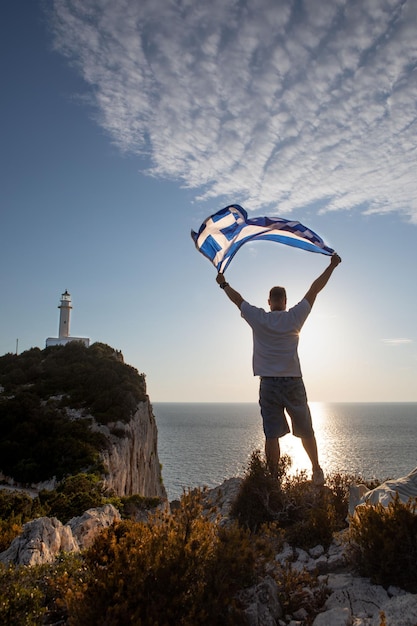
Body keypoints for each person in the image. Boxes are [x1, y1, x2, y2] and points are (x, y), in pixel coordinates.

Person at [216, 253, 342, 486]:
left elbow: (238, 300)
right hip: (293, 381)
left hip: (269, 384)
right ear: (284, 301)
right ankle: (316, 471)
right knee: (306, 430)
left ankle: (273, 481)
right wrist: (331, 266)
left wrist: (223, 283)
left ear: (269, 301)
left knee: (272, 435)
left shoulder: (259, 318)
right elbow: (315, 289)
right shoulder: (294, 316)